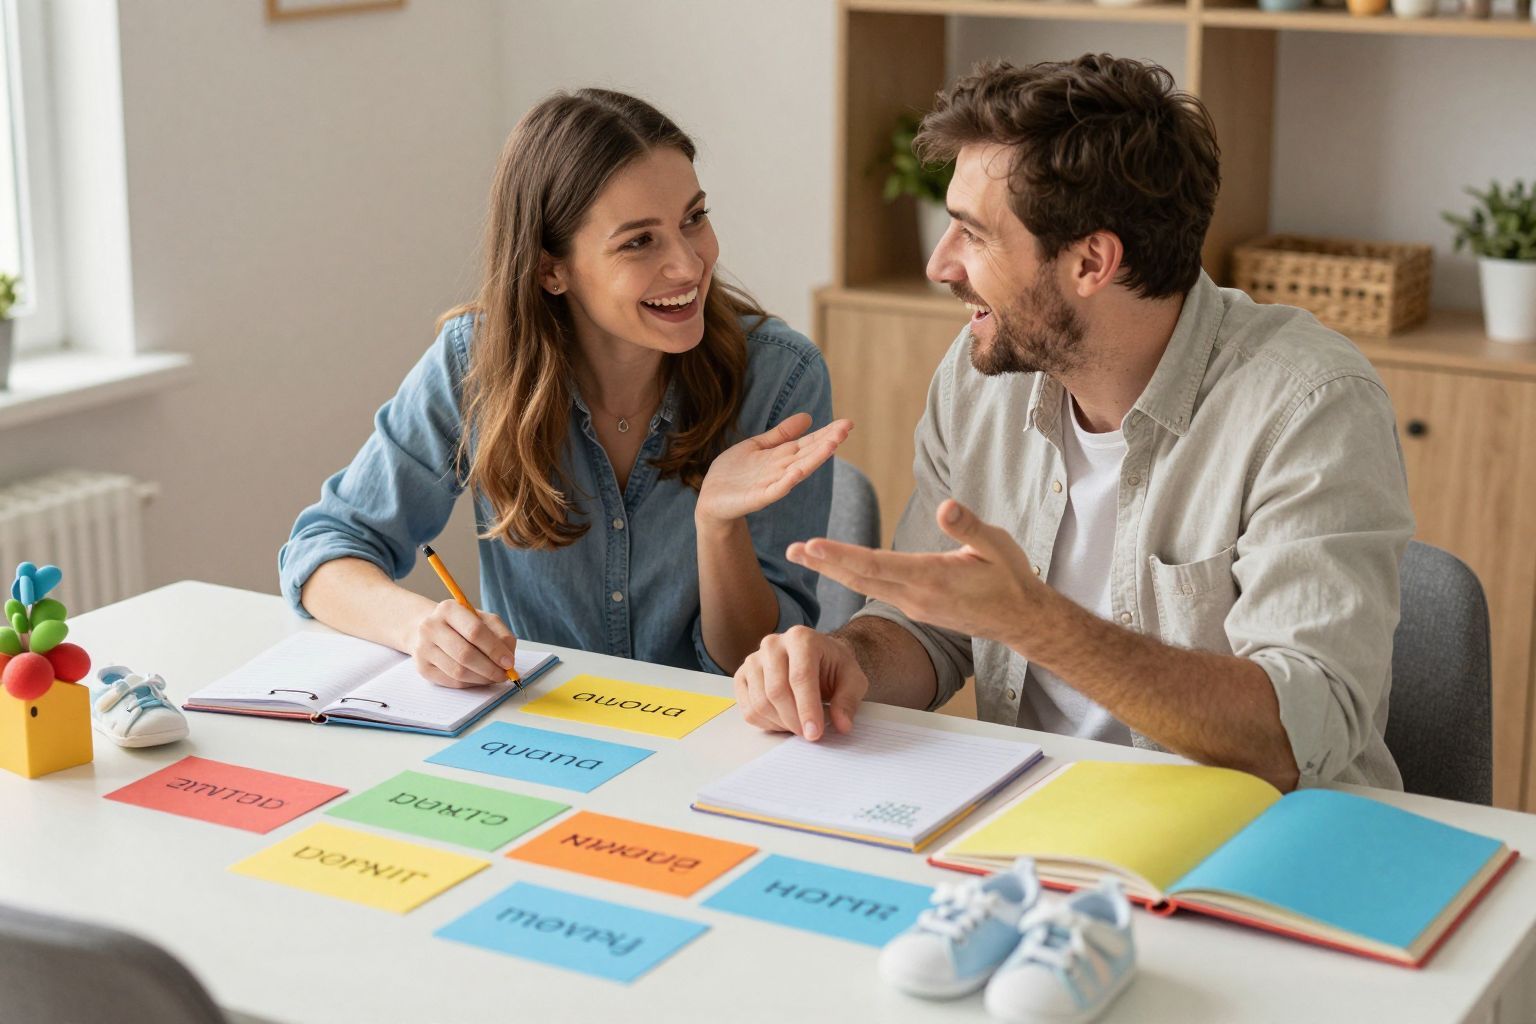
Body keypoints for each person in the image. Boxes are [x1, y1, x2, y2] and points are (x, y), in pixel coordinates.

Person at [733, 55, 1413, 793]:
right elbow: (932, 627)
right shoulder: (977, 376)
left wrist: (1037, 622)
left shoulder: (1310, 404)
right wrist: (850, 663)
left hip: (1263, 844)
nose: (939, 265)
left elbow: (1294, 733)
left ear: (1092, 261)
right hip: (1040, 823)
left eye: (973, 234)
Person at [280, 88, 849, 687]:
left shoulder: (780, 378)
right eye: (638, 241)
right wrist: (422, 628)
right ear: (552, 268)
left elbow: (758, 666)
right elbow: (324, 548)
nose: (688, 264)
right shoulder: (476, 363)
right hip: (544, 741)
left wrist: (717, 524)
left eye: (694, 219)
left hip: (713, 743)